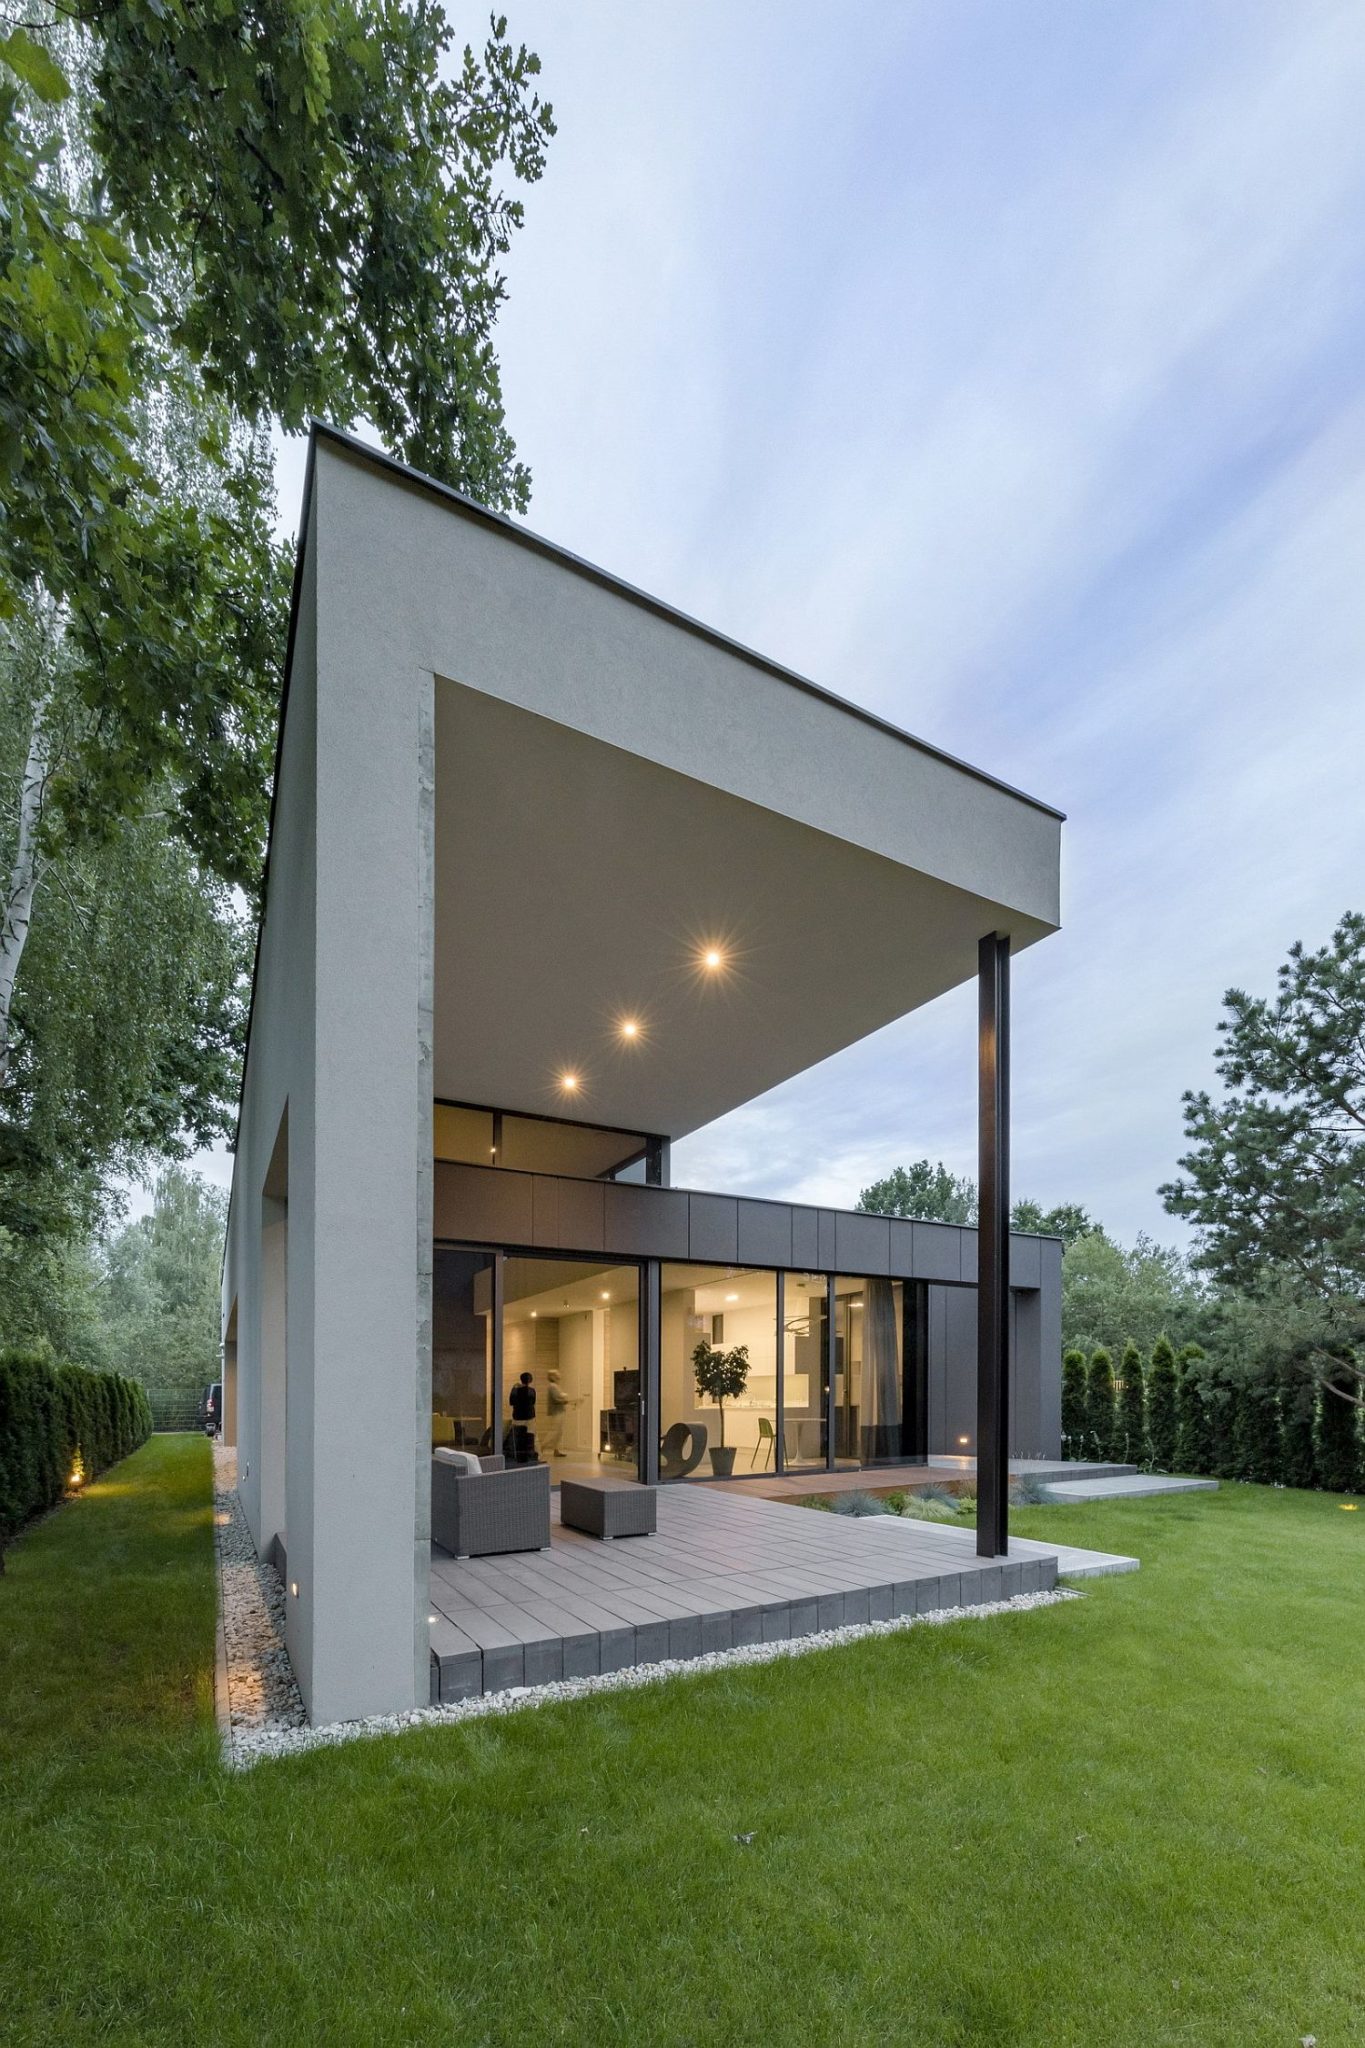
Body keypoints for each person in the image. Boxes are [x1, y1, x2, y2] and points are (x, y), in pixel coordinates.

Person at [542, 1368, 581, 1460]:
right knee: (554, 1432)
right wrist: (565, 1400)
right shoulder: (552, 1386)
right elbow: (557, 1399)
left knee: (558, 1432)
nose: (559, 1375)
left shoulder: (555, 1386)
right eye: (557, 1374)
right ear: (552, 1377)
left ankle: (556, 1450)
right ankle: (542, 1448)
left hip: (558, 1411)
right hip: (557, 1412)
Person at [507, 1371, 537, 1464]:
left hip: (517, 1416)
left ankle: (516, 1454)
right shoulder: (532, 1391)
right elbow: (533, 1402)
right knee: (531, 1437)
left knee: (517, 1436)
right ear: (530, 1380)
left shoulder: (515, 1390)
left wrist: (514, 1388)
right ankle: (531, 1454)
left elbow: (511, 1402)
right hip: (529, 1416)